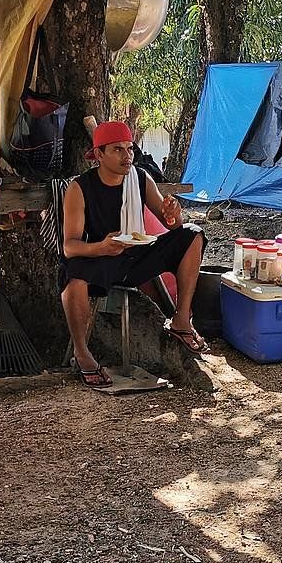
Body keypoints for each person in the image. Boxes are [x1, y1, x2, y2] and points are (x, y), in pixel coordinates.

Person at [62, 121, 207, 387]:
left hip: (136, 256)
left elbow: (170, 225)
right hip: (101, 258)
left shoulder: (139, 178)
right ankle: (82, 352)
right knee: (74, 274)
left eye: (129, 149)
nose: (127, 156)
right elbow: (69, 246)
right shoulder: (79, 189)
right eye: (117, 150)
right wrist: (101, 247)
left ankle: (181, 319)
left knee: (192, 234)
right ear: (98, 155)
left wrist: (174, 215)